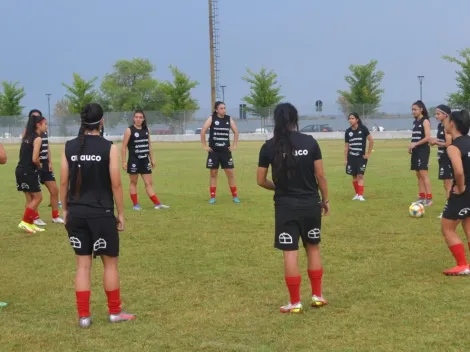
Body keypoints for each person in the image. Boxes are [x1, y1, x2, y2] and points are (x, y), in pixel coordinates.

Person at [60, 103, 136, 328]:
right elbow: (116, 184)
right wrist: (121, 213)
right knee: (110, 265)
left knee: (82, 267)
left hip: (76, 213)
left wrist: (65, 209)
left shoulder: (69, 147)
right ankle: (115, 312)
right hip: (101, 215)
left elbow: (64, 182)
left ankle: (84, 317)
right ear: (101, 121)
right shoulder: (109, 148)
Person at [257, 102, 329, 313]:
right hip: (310, 204)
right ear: (295, 119)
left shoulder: (268, 146)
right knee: (313, 247)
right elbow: (320, 175)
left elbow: (260, 180)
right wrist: (325, 200)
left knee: (290, 252)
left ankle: (295, 302)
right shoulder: (310, 142)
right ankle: (317, 295)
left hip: (285, 206)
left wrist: (278, 187)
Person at [439, 109, 470, 276]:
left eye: (447, 120)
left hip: (463, 192)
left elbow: (458, 172)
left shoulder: (453, 147)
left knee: (447, 228)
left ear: (452, 123)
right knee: (467, 224)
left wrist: (461, 187)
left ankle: (462, 265)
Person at [121, 110, 169, 210]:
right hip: (134, 161)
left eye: (140, 117)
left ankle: (157, 204)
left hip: (144, 160)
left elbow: (149, 145)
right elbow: (123, 147)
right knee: (133, 183)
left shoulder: (146, 129)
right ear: (134, 118)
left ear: (143, 119)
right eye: (136, 117)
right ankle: (136, 205)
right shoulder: (129, 130)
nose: (138, 119)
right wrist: (124, 161)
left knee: (148, 183)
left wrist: (152, 159)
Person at [24, 110, 64, 226]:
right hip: (34, 166)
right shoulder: (28, 133)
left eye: (38, 117)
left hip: (45, 165)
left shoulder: (44, 131)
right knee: (33, 195)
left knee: (54, 190)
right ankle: (35, 217)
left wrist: (50, 162)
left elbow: (47, 147)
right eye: (34, 117)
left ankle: (55, 216)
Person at [200, 101, 240, 204]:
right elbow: (203, 130)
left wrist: (234, 145)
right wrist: (204, 145)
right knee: (213, 173)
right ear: (216, 110)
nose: (224, 110)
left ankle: (235, 196)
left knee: (230, 173)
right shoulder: (212, 118)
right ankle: (212, 197)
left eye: (224, 108)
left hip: (225, 151)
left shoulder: (228, 118)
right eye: (221, 108)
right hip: (214, 151)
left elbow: (236, 131)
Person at [15, 114, 48, 234]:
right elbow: (35, 158)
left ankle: (30, 223)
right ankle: (24, 222)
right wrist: (40, 166)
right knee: (38, 197)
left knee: (30, 198)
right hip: (29, 171)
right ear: (38, 125)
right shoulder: (38, 138)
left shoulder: (26, 136)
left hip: (20, 169)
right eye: (45, 124)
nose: (46, 127)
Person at [430, 105, 453, 218]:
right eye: (436, 114)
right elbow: (443, 141)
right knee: (446, 184)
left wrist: (436, 142)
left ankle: (448, 210)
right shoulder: (440, 126)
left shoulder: (448, 126)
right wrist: (436, 140)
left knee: (448, 183)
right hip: (442, 157)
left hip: (448, 157)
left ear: (446, 115)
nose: (436, 116)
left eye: (438, 114)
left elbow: (448, 143)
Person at [344, 113, 374, 201]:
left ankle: (360, 195)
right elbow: (346, 146)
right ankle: (357, 194)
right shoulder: (348, 131)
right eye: (349, 118)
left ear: (357, 120)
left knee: (360, 175)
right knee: (354, 176)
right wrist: (345, 159)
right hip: (351, 157)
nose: (350, 120)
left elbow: (371, 141)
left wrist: (368, 154)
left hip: (361, 157)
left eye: (352, 118)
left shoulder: (363, 129)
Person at [409, 100, 432, 205]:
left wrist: (415, 144)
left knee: (423, 174)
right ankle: (421, 197)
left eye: (415, 109)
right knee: (418, 175)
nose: (413, 111)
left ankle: (429, 198)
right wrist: (411, 146)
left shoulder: (425, 121)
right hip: (416, 150)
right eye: (412, 109)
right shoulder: (415, 122)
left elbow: (427, 138)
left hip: (423, 150)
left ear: (421, 109)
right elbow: (415, 137)